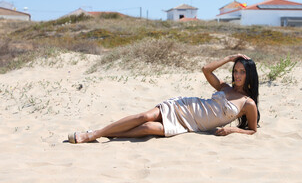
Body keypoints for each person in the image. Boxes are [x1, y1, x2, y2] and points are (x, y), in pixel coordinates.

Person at [68, 53, 260, 143]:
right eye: (235, 71)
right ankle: (93, 134)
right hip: (184, 106)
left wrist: (233, 131)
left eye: (242, 72)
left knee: (147, 128)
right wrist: (229, 58)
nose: (237, 75)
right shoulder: (224, 87)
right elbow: (206, 69)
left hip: (190, 126)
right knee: (145, 117)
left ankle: (111, 133)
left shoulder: (248, 104)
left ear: (249, 75)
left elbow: (252, 130)